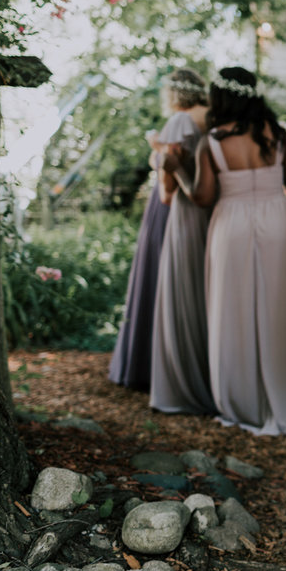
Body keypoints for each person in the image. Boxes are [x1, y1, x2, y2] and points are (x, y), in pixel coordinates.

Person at [192, 67, 286, 435]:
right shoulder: (277, 135)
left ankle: (243, 401)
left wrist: (176, 170)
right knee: (282, 308)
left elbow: (203, 196)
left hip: (231, 223)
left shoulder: (212, 141)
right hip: (277, 220)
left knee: (232, 310)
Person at [149, 68, 216, 415]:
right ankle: (211, 377)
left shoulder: (178, 123)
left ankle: (181, 386)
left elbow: (166, 192)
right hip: (212, 215)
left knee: (183, 292)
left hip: (186, 213)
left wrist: (158, 157)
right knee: (205, 295)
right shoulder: (210, 121)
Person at [108, 80, 175, 392]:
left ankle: (150, 363)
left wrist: (158, 149)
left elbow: (166, 184)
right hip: (161, 206)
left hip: (165, 207)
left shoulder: (178, 125)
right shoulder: (183, 124)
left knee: (156, 276)